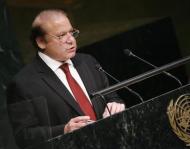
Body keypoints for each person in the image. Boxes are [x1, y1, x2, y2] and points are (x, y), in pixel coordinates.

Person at [6, 9, 125, 148]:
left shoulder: (88, 62)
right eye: (62, 35)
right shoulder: (23, 83)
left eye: (72, 32)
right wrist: (64, 130)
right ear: (41, 42)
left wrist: (116, 104)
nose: (71, 40)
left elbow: (112, 96)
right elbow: (24, 136)